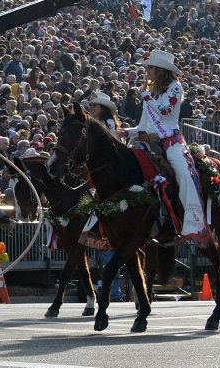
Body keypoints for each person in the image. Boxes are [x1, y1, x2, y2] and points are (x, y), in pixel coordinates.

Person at [120, 50, 212, 247]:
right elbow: (142, 127)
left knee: (184, 174)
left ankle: (193, 223)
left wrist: (145, 95)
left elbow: (164, 110)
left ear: (160, 70)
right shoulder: (150, 95)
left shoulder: (175, 88)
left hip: (170, 141)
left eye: (150, 67)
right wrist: (126, 132)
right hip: (149, 142)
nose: (146, 71)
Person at [83, 92, 122, 301]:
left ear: (103, 109)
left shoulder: (107, 124)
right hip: (95, 172)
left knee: (109, 250)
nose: (91, 109)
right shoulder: (90, 126)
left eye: (94, 106)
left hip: (110, 170)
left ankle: (113, 292)